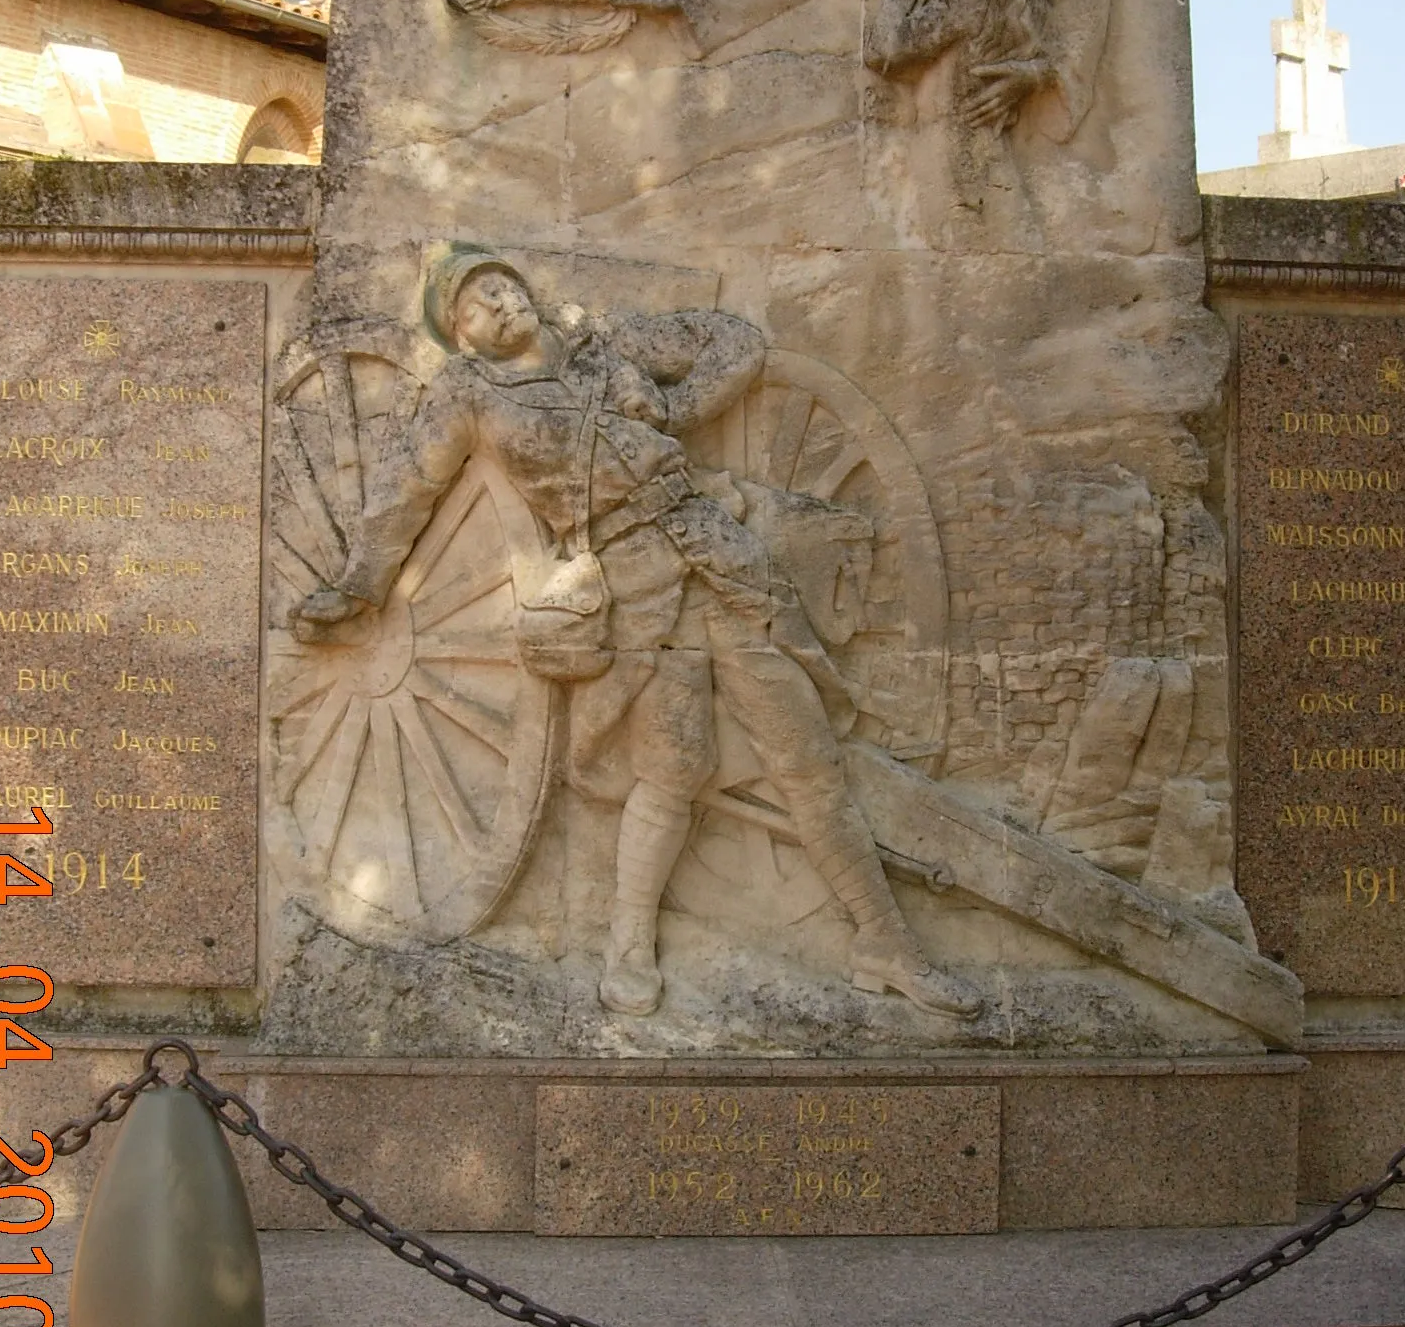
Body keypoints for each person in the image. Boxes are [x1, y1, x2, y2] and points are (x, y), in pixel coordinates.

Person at [294, 244, 986, 1025]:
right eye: (473, 305)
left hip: (719, 554)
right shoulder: (469, 395)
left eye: (501, 285)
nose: (497, 303)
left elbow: (736, 342)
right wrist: (360, 587)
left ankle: (884, 944)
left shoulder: (602, 342)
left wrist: (678, 409)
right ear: (460, 338)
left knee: (809, 760)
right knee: (674, 767)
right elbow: (406, 492)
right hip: (633, 587)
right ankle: (628, 946)